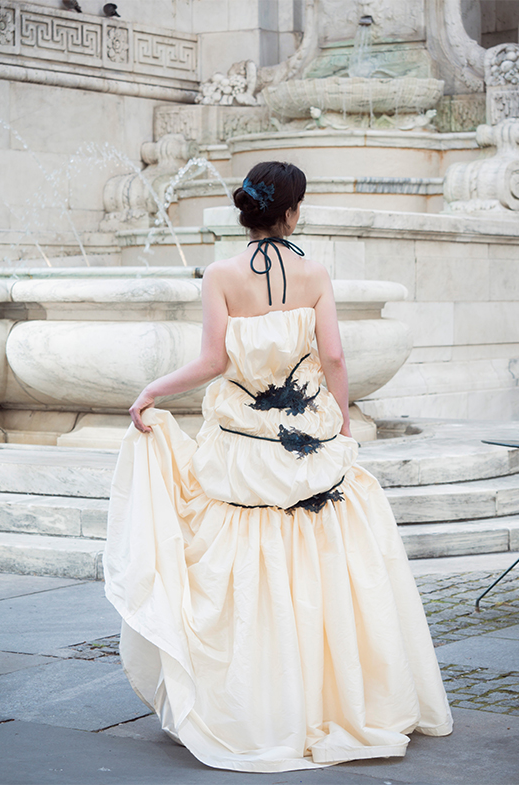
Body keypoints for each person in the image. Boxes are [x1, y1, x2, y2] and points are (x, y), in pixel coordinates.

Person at [104, 161, 452, 773]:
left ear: (249, 211)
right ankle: (336, 695)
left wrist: (153, 389)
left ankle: (256, 700)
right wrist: (341, 423)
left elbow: (212, 362)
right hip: (307, 436)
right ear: (292, 211)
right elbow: (334, 356)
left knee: (240, 555)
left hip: (241, 442)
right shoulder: (314, 273)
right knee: (329, 558)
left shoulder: (220, 275)